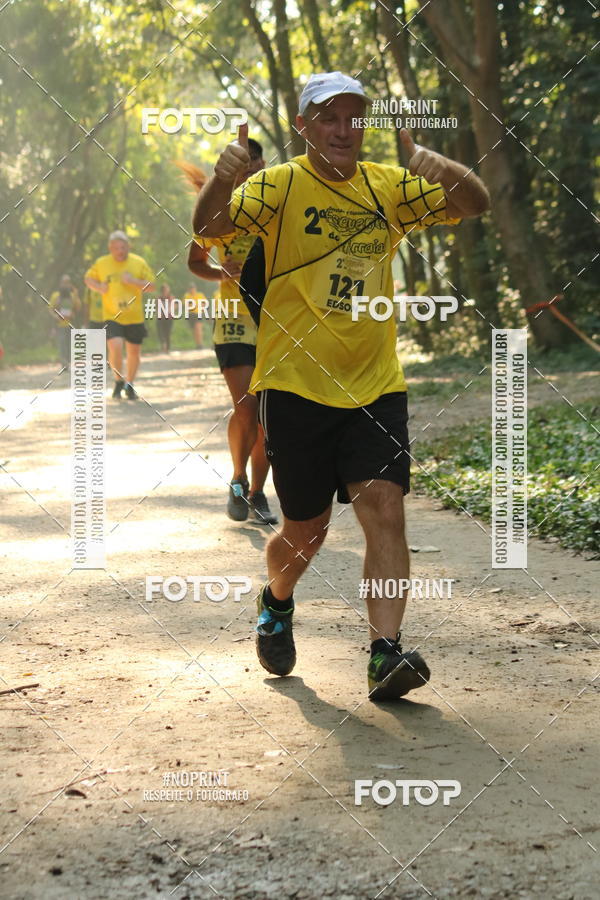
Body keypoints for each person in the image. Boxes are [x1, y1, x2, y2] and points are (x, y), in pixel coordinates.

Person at [193, 72, 490, 700]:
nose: (342, 129)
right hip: (294, 383)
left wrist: (445, 170)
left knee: (385, 508)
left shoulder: (388, 186)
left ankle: (386, 653)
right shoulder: (278, 185)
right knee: (307, 531)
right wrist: (222, 178)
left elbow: (475, 204)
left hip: (375, 385)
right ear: (304, 126)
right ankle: (277, 600)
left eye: (353, 117)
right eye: (328, 117)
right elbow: (210, 226)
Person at [180, 147, 278, 527]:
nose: (250, 174)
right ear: (233, 173)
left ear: (264, 167)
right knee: (246, 407)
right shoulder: (220, 214)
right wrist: (221, 273)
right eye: (244, 169)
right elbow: (195, 262)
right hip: (234, 322)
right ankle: (238, 479)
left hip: (274, 322)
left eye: (256, 167)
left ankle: (257, 493)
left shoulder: (277, 206)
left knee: (268, 418)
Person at [84, 230, 155, 400]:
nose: (120, 251)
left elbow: (151, 286)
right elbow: (88, 279)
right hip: (112, 315)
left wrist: (133, 281)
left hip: (134, 316)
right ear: (110, 248)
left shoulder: (138, 262)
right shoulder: (102, 263)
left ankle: (129, 384)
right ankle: (118, 381)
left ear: (128, 247)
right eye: (116, 248)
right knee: (115, 346)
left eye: (123, 247)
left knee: (133, 352)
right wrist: (99, 287)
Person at [49, 275, 81, 367]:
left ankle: (69, 362)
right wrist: (56, 316)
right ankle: (64, 364)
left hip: (70, 324)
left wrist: (76, 294)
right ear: (60, 283)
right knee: (62, 345)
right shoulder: (55, 296)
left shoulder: (73, 296)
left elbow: (78, 308)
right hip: (59, 325)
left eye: (68, 282)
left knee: (70, 345)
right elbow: (50, 309)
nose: (66, 284)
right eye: (64, 282)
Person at [185, 283, 206, 348]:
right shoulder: (187, 296)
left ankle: (200, 344)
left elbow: (204, 303)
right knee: (194, 330)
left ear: (195, 288)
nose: (192, 290)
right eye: (191, 288)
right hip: (191, 314)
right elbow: (185, 305)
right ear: (189, 289)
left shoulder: (200, 295)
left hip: (198, 313)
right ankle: (197, 344)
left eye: (193, 288)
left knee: (198, 329)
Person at [156, 282, 175, 353]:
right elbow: (157, 307)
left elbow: (172, 307)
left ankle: (168, 348)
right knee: (160, 333)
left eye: (167, 289)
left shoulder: (171, 297)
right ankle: (163, 346)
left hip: (169, 318)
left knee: (167, 333)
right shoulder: (159, 298)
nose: (166, 291)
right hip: (160, 318)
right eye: (164, 289)